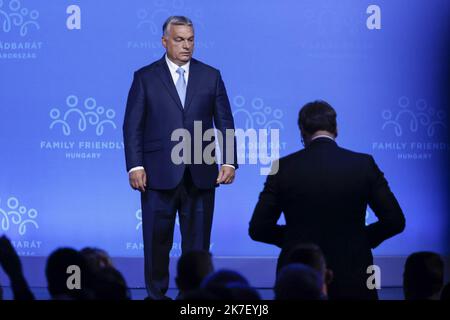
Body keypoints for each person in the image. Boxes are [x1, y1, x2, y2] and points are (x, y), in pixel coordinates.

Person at [123, 16, 238, 300]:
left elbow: (225, 122)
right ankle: (156, 296)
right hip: (157, 174)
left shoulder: (211, 75)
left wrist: (229, 161)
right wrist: (135, 165)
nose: (186, 45)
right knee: (156, 242)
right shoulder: (145, 77)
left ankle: (194, 298)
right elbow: (132, 125)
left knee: (198, 247)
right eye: (179, 39)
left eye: (190, 39)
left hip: (201, 174)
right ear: (164, 41)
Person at [249, 100, 405, 299]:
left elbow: (258, 228)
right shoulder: (363, 164)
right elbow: (395, 221)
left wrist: (296, 239)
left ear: (302, 131)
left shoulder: (282, 167)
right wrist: (359, 238)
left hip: (299, 280)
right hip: (355, 275)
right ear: (336, 129)